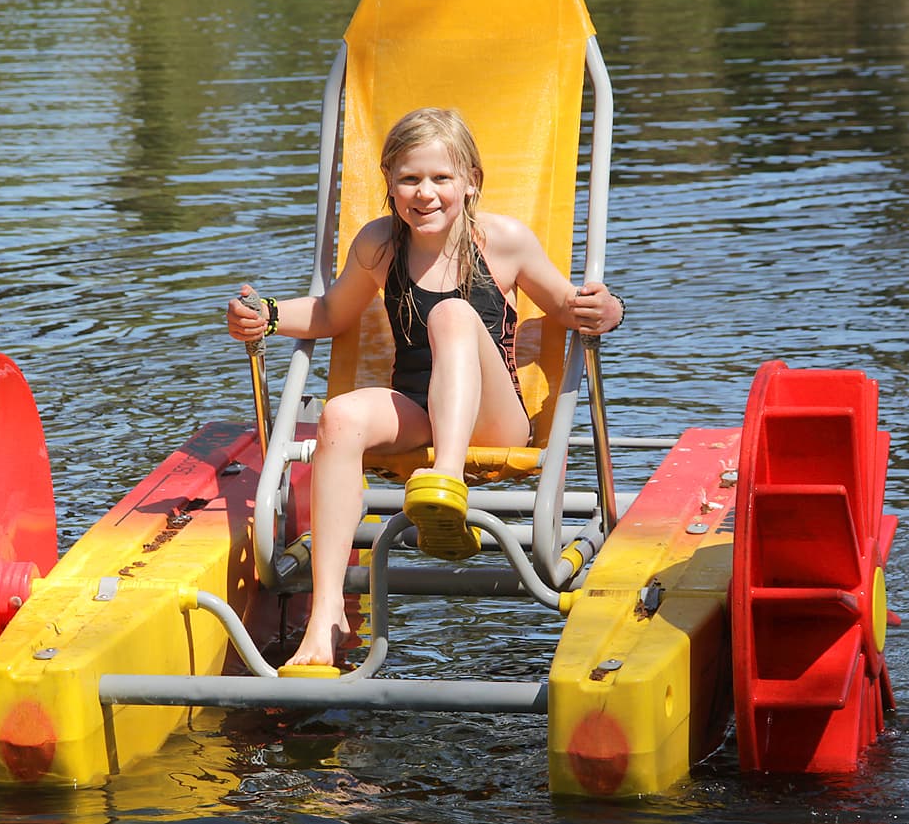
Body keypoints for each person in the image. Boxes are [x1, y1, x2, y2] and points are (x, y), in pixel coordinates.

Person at [227, 107, 622, 668]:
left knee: (452, 315)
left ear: (471, 181)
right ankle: (326, 618)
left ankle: (445, 484)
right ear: (389, 182)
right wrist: (266, 314)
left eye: (441, 178)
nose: (425, 193)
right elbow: (330, 313)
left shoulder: (504, 241)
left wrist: (608, 309)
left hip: (494, 420)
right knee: (339, 416)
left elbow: (569, 307)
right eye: (410, 178)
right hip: (419, 410)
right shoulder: (379, 244)